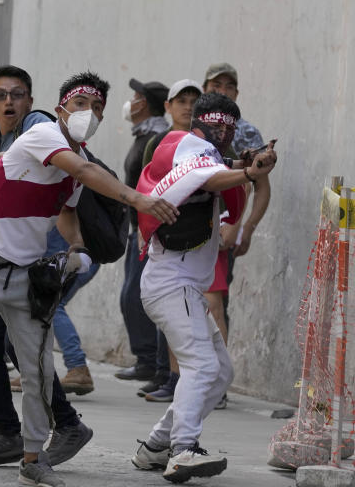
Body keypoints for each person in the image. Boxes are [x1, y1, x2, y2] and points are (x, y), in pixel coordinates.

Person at [0, 71, 179, 487]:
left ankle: (33, 457)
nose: (90, 113)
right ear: (62, 104)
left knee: (38, 369)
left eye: (98, 107)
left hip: (24, 275)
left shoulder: (73, 159)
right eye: (82, 104)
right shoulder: (45, 134)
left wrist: (78, 251)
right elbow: (83, 171)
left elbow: (65, 211)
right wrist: (139, 199)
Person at [0, 66, 94, 467]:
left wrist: (77, 246)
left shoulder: (37, 124)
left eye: (17, 94)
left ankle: (26, 430)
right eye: (0, 95)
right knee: (2, 344)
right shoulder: (12, 135)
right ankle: (19, 431)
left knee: (5, 345)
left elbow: (59, 177)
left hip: (35, 263)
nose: (9, 102)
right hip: (16, 262)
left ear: (32, 101)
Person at [131, 92, 276, 482]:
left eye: (230, 126)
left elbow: (215, 170)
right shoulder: (182, 144)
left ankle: (155, 447)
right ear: (198, 121)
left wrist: (246, 167)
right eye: (216, 123)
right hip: (169, 282)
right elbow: (204, 175)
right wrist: (247, 172)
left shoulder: (208, 156)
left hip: (184, 287)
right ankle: (183, 449)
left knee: (220, 372)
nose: (223, 131)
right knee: (203, 365)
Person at [201, 62, 271, 410]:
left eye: (230, 86)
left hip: (222, 233)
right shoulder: (192, 129)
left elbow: (261, 187)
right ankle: (178, 377)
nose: (222, 91)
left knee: (214, 304)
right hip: (185, 230)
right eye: (216, 85)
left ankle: (217, 383)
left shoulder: (245, 135)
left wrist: (245, 229)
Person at [138, 78, 202, 403]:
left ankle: (190, 380)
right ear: (168, 106)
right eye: (181, 100)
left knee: (201, 311)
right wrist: (143, 232)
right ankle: (170, 375)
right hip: (166, 239)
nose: (188, 106)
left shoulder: (208, 142)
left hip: (202, 241)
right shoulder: (159, 143)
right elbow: (146, 189)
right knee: (170, 311)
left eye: (194, 100)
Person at [116, 78, 170, 383]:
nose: (131, 101)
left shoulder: (157, 137)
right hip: (135, 228)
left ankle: (152, 361)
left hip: (147, 230)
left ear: (145, 103)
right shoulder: (143, 135)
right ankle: (146, 359)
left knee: (136, 296)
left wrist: (144, 229)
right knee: (130, 295)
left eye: (136, 96)